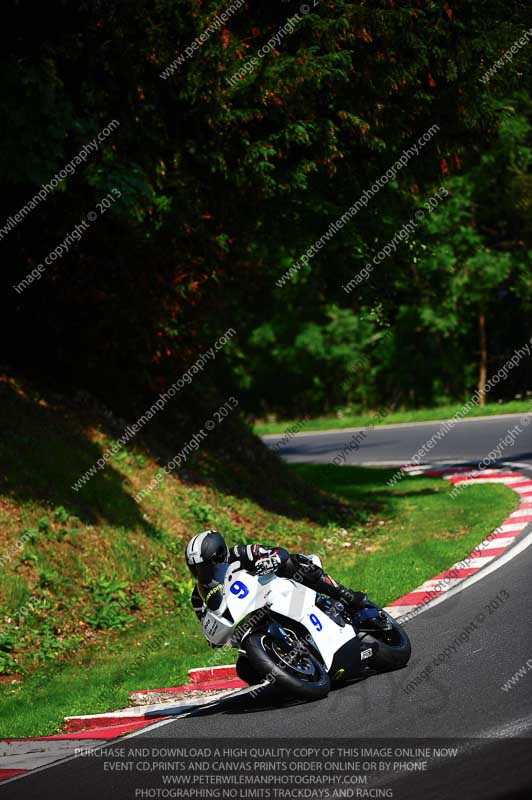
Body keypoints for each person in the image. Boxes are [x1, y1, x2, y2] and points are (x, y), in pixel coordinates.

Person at [185, 529, 367, 622]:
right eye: (198, 569)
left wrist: (270, 559)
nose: (203, 573)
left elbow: (279, 552)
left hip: (277, 590)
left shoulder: (240, 553)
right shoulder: (198, 596)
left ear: (219, 555)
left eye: (206, 566)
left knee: (294, 563)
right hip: (252, 617)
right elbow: (207, 625)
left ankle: (346, 595)